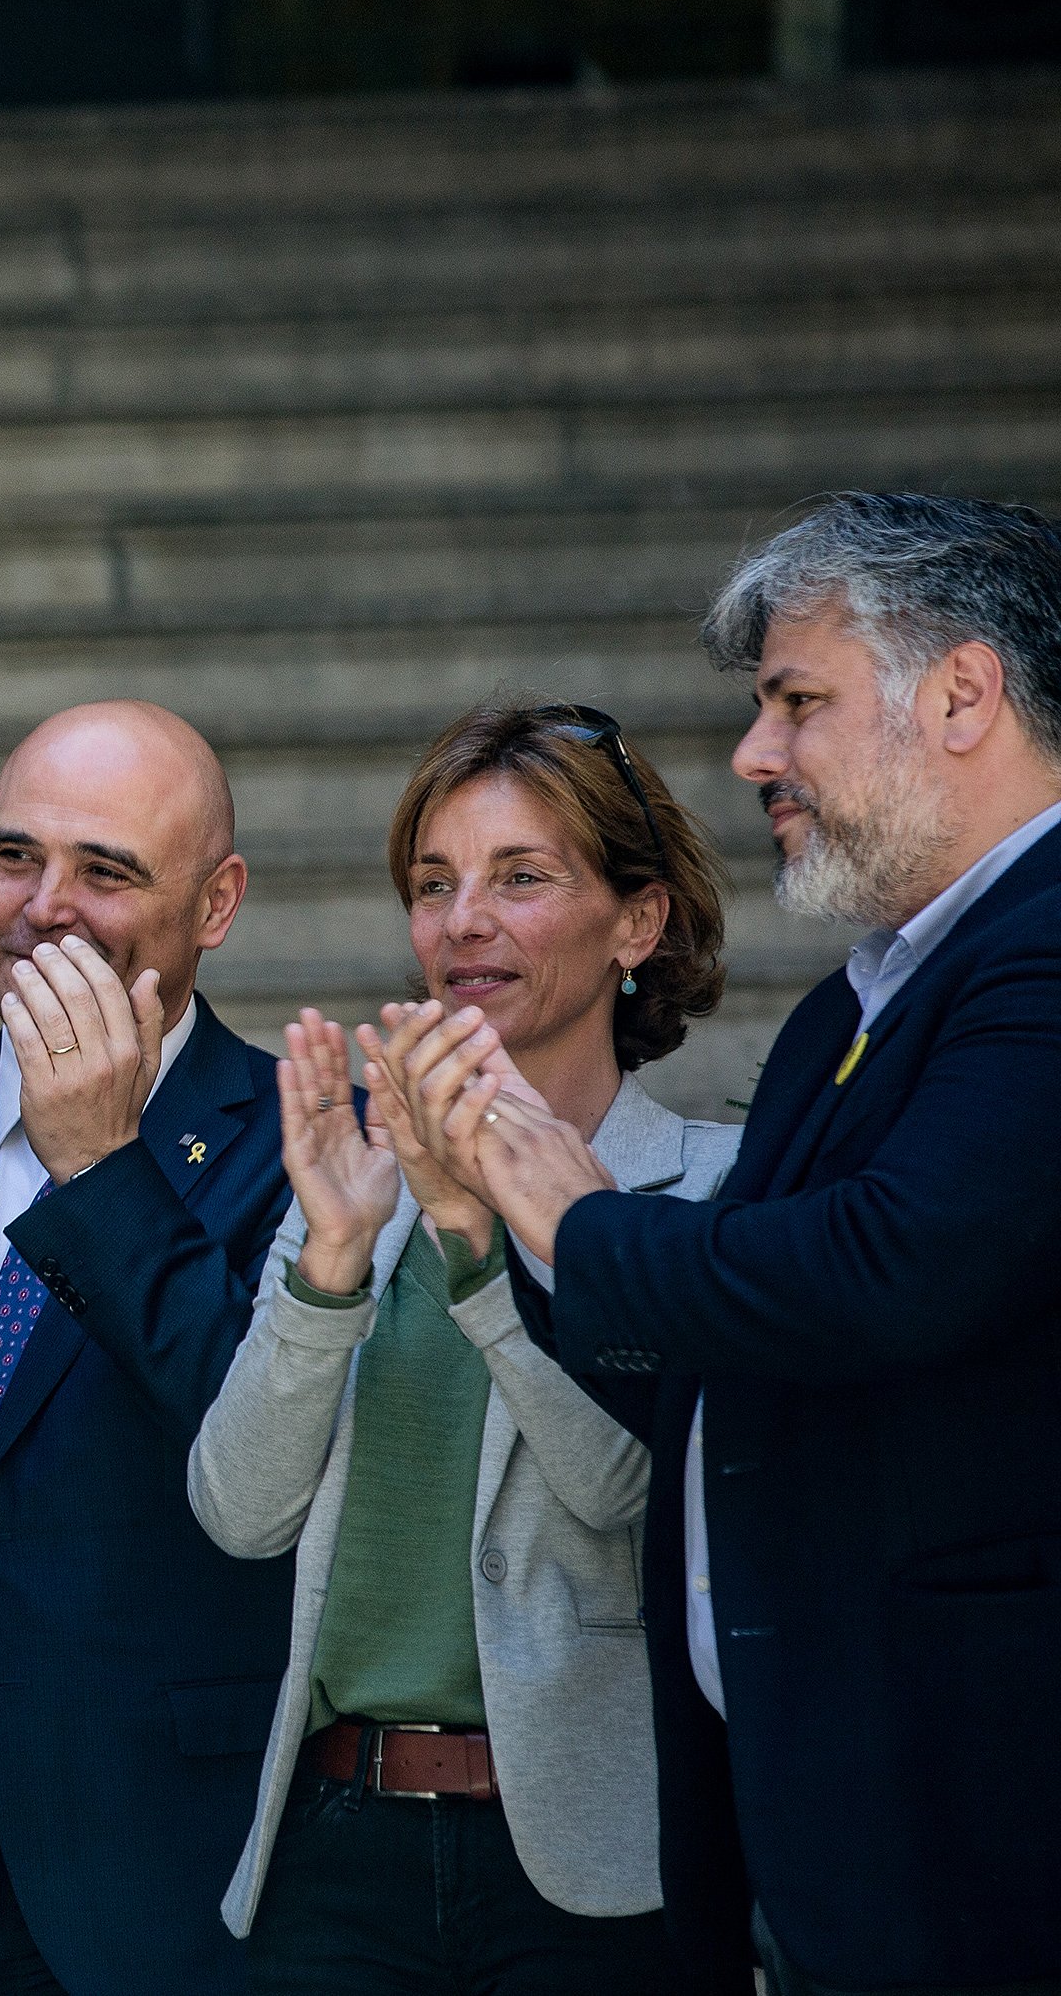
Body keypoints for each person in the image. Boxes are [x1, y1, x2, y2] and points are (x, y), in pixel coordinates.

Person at [408, 494, 1061, 1995]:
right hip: (816, 1829)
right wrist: (501, 1232)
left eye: (795, 702)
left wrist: (571, 1210)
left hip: (983, 1839)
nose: (755, 755)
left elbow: (896, 1263)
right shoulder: (855, 1002)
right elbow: (725, 1375)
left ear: (963, 694)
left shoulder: (1043, 944)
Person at [190, 702, 740, 1995]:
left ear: (638, 922)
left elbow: (629, 1491)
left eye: (520, 876)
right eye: (434, 883)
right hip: (335, 1856)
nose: (460, 920)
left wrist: (480, 1257)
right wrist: (332, 1257)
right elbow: (237, 1507)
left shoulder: (711, 1198)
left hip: (594, 1866)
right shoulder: (351, 1183)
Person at [0, 701, 296, 1996]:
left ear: (217, 902)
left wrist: (101, 1166)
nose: (44, 904)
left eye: (108, 869)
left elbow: (267, 1448)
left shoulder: (306, 1138)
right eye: (13, 855)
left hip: (161, 1874)